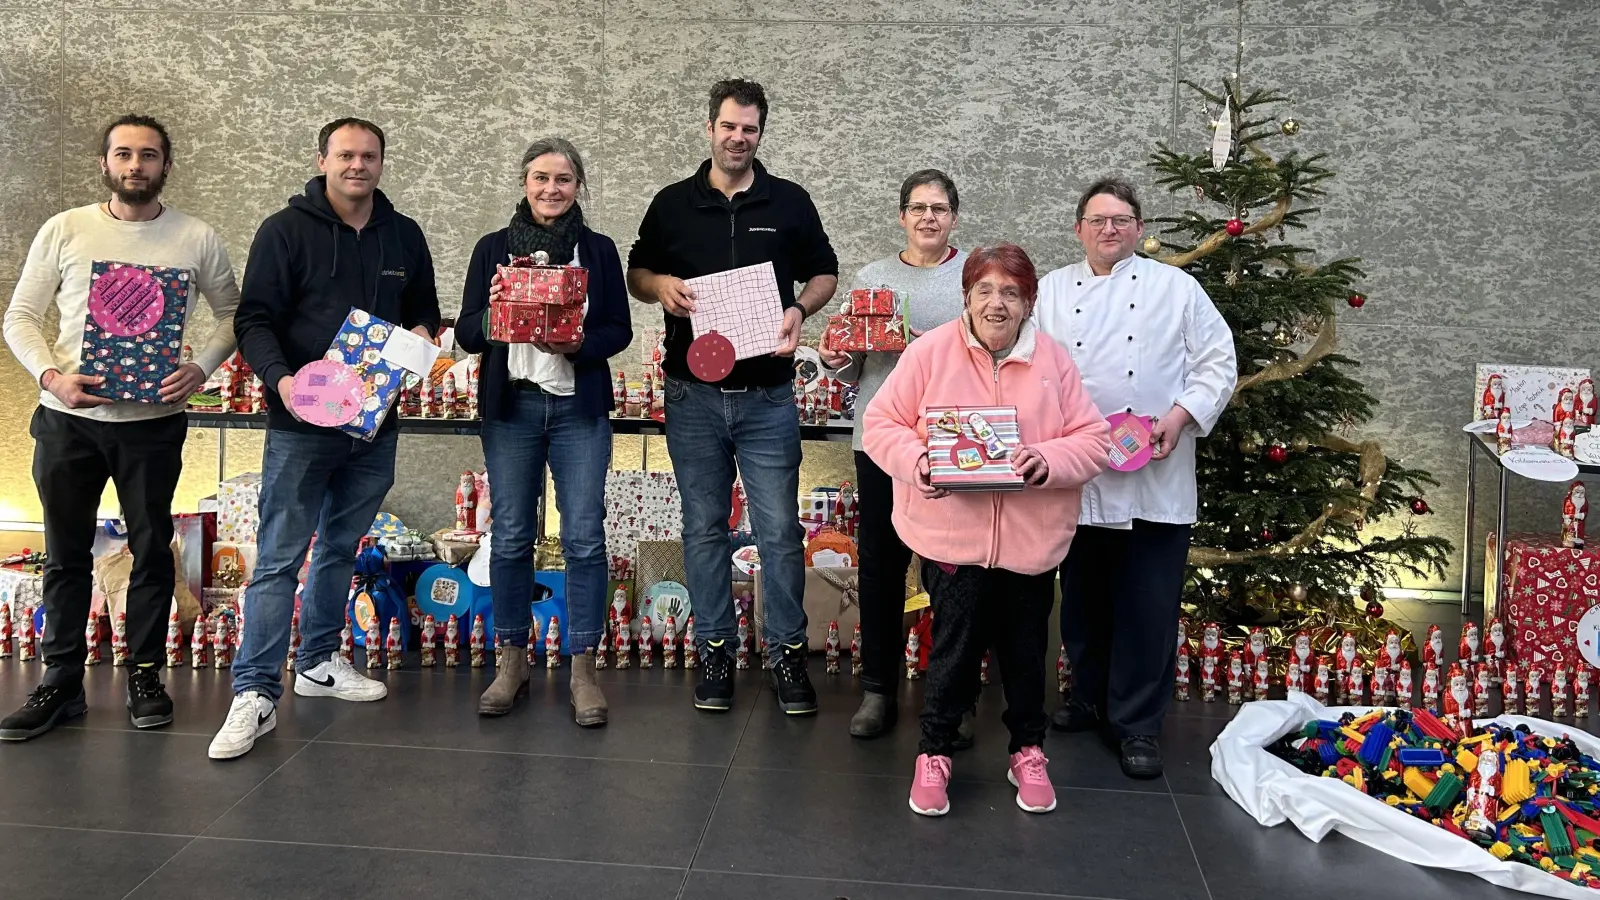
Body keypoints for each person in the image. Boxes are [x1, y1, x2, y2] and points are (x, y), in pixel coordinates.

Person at [0, 115, 240, 740]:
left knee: (152, 553)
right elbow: (20, 317)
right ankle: (59, 682)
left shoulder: (197, 237)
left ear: (167, 165)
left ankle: (145, 674)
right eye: (124, 154)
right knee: (65, 553)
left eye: (149, 155)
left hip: (154, 424)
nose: (136, 165)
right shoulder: (66, 229)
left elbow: (235, 314)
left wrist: (200, 367)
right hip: (68, 421)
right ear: (105, 163)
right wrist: (52, 378)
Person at [209, 118, 440, 760]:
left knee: (340, 547)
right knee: (280, 556)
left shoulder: (404, 234)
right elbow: (254, 318)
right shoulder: (285, 231)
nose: (357, 166)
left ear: (382, 163)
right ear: (323, 159)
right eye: (346, 155)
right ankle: (254, 692)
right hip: (300, 423)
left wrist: (423, 334)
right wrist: (282, 383)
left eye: (369, 156)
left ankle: (317, 663)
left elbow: (424, 306)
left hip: (373, 427)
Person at [863, 243, 1110, 817]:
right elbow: (881, 423)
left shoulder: (1052, 361)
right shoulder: (929, 353)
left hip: (1029, 541)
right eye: (985, 291)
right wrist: (919, 461)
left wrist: (1047, 460)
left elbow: (1093, 440)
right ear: (966, 297)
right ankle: (934, 752)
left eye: (1011, 293)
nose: (997, 304)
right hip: (953, 538)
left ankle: (1028, 751)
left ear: (1030, 302)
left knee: (1026, 655)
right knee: (950, 650)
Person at [626, 78, 838, 715]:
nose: (738, 137)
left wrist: (800, 309)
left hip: (769, 398)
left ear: (760, 133)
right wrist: (660, 284)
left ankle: (786, 654)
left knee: (778, 532)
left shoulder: (790, 201)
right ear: (710, 128)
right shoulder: (671, 204)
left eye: (749, 128)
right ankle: (715, 647)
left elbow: (824, 269)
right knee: (703, 528)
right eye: (728, 126)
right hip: (692, 397)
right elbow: (637, 270)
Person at [1035, 176, 1236, 779]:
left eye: (1121, 219)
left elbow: (1217, 361)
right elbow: (1033, 368)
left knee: (1148, 608)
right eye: (1097, 220)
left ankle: (1138, 725)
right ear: (1078, 230)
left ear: (1140, 229)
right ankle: (1088, 699)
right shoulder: (1049, 291)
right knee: (1084, 605)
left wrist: (1180, 416)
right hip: (1082, 476)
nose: (1109, 229)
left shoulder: (1177, 289)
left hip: (1155, 475)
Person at [456, 137, 632, 724]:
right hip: (514, 409)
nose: (551, 189)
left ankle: (583, 665)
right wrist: (498, 310)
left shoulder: (599, 251)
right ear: (524, 183)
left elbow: (618, 330)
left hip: (578, 408)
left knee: (584, 536)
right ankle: (512, 661)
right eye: (540, 178)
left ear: (578, 186)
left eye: (563, 179)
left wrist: (580, 343)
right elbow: (467, 332)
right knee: (509, 536)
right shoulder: (493, 250)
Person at [817, 169, 968, 740]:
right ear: (901, 216)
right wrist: (834, 356)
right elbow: (855, 367)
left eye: (940, 207)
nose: (929, 217)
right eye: (918, 207)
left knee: (950, 568)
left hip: (952, 439)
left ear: (954, 216)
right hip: (881, 437)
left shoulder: (973, 275)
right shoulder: (871, 278)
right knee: (880, 566)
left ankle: (952, 696)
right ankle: (877, 689)